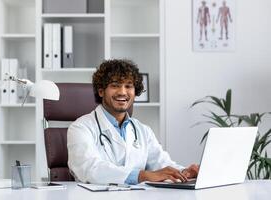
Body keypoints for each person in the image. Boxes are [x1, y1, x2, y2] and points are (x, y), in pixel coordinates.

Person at [67, 59, 199, 185]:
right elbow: (88, 168)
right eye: (115, 86)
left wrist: (184, 172)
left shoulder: (143, 130)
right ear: (101, 91)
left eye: (128, 86)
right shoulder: (80, 128)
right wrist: (141, 176)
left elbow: (162, 164)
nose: (122, 92)